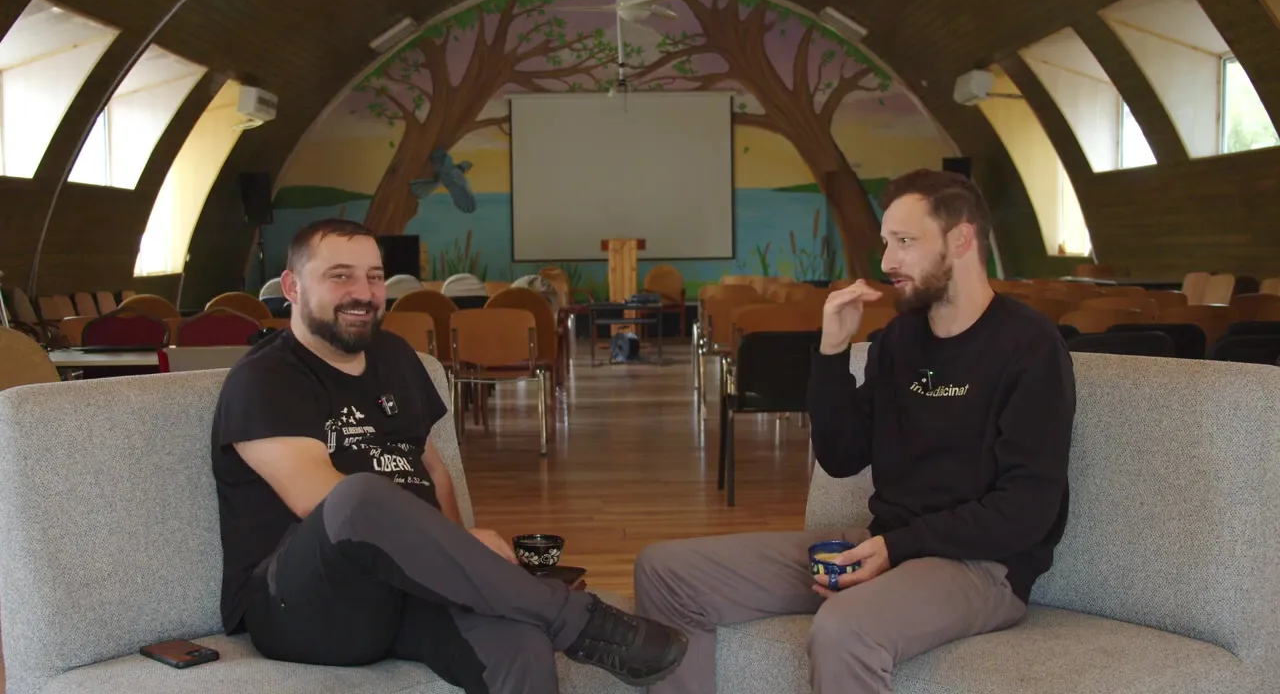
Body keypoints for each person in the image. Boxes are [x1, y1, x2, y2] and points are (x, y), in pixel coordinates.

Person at [634, 169, 1076, 693]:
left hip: (981, 566)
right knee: (664, 570)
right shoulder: (900, 340)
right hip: (883, 544)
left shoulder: (1030, 347)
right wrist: (832, 351)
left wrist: (897, 547)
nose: (887, 262)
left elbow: (1026, 511)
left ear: (961, 239)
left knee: (844, 629)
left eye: (905, 242)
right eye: (887, 243)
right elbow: (842, 456)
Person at [211, 218, 687, 693]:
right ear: (292, 287)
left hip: (404, 590)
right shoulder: (264, 379)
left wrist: (462, 562)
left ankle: (548, 618)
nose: (363, 292)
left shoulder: (396, 358)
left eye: (374, 277)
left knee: (518, 641)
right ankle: (579, 622)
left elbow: (434, 472)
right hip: (304, 606)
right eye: (340, 276)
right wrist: (463, 551)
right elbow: (320, 501)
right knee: (360, 497)